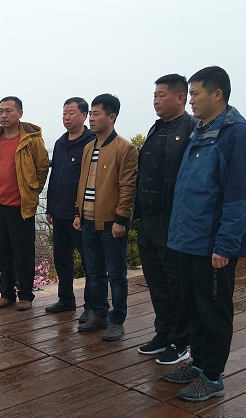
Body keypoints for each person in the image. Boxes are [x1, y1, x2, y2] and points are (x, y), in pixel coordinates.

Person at [162, 66, 246, 402]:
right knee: (193, 308)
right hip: (189, 238)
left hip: (212, 244)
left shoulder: (236, 134)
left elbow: (241, 195)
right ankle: (200, 364)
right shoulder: (202, 130)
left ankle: (213, 377)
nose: (190, 100)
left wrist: (226, 245)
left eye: (195, 93)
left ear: (217, 94)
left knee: (213, 311)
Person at [135, 74, 197, 365]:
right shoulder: (156, 128)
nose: (156, 101)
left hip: (172, 220)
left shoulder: (191, 129)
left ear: (180, 97)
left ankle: (180, 340)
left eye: (161, 95)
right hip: (148, 218)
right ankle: (163, 333)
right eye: (154, 95)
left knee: (176, 283)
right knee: (156, 281)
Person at [73, 94, 138, 341]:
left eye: (96, 114)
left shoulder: (124, 148)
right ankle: (99, 313)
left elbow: (128, 188)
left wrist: (121, 220)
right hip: (88, 221)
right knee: (94, 272)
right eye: (90, 113)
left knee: (117, 275)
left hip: (112, 223)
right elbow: (82, 184)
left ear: (111, 117)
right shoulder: (88, 147)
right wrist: (78, 213)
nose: (91, 118)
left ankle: (117, 320)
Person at [0, 96, 49, 311]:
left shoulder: (32, 140)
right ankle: (6, 293)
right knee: (3, 252)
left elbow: (42, 168)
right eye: (0, 111)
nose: (3, 115)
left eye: (8, 111)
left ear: (20, 114)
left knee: (23, 253)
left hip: (20, 206)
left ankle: (26, 295)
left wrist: (32, 191)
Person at [44, 98, 95, 316]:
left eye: (71, 113)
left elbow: (90, 180)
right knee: (62, 258)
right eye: (64, 113)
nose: (66, 117)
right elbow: (55, 175)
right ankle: (66, 299)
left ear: (84, 116)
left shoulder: (91, 142)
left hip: (79, 214)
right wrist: (49, 206)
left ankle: (92, 306)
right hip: (59, 211)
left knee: (89, 260)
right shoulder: (60, 142)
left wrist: (79, 211)